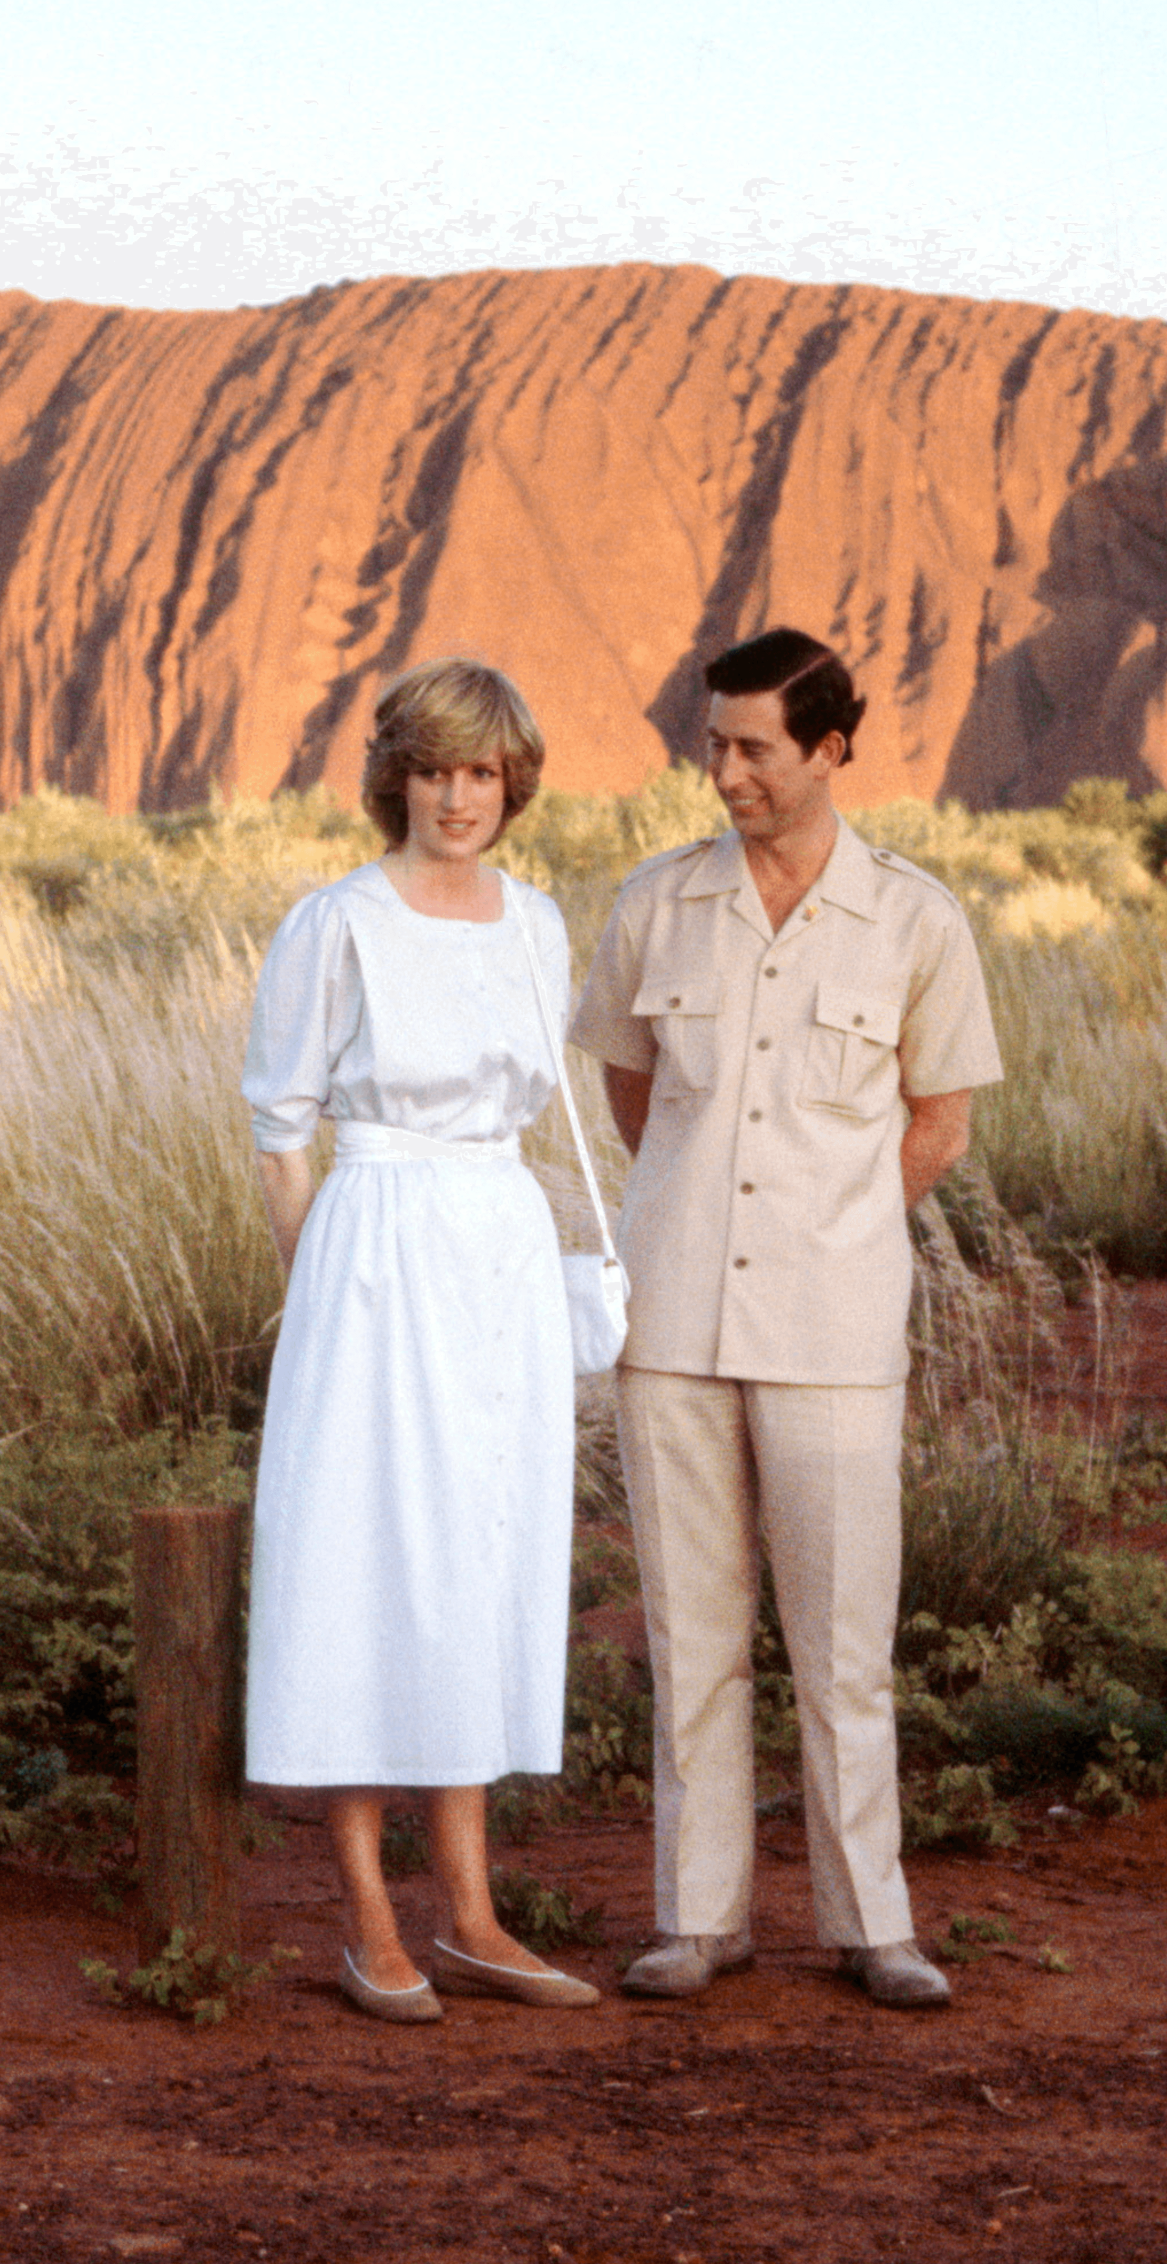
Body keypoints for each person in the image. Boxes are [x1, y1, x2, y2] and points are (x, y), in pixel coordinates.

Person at [569, 627, 1002, 2009]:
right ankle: (701, 1920)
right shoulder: (657, 904)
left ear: (828, 749)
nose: (727, 772)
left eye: (755, 747)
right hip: (675, 1323)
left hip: (833, 1328)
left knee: (840, 1638)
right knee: (692, 1633)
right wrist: (702, 1209)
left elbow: (941, 1118)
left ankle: (874, 1926)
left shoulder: (918, 919)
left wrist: (831, 1219)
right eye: (715, 745)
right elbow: (633, 1097)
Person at [241, 657, 599, 2024]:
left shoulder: (538, 923)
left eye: (486, 773)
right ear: (399, 775)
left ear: (515, 784)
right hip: (373, 1246)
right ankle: (368, 1912)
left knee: (479, 1557)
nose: (461, 797)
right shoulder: (336, 921)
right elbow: (282, 1130)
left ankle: (477, 1913)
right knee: (362, 1553)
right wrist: (322, 1286)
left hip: (497, 1243)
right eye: (438, 770)